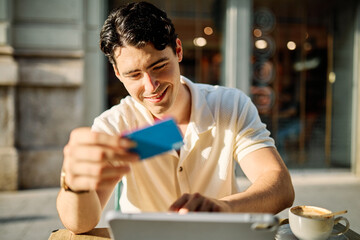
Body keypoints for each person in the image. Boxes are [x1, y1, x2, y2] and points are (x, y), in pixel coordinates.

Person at [56, 1, 295, 234]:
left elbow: (280, 186)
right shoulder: (114, 125)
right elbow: (79, 225)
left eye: (159, 66)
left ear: (178, 50)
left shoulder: (229, 106)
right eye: (134, 75)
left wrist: (224, 208)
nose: (150, 87)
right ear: (118, 73)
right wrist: (75, 183)